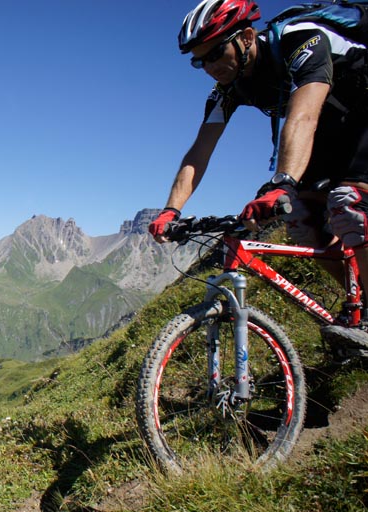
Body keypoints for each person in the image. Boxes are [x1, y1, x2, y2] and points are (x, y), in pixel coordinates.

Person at [149, 0, 368, 350]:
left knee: (349, 206)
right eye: (199, 60)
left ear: (248, 36)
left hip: (359, 114)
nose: (209, 67)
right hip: (329, 130)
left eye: (216, 53)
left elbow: (303, 117)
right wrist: (170, 209)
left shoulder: (302, 40)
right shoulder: (227, 89)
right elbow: (198, 152)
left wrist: (280, 184)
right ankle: (360, 309)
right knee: (302, 220)